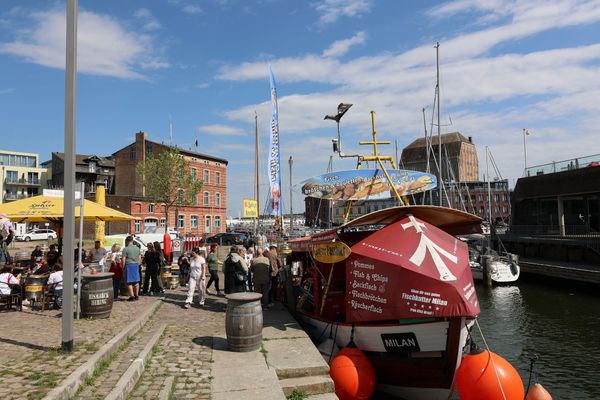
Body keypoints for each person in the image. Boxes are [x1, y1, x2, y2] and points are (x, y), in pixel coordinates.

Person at [122, 236, 141, 301]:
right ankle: (137, 295)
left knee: (129, 282)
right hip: (135, 265)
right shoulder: (137, 248)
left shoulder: (125, 249)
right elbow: (139, 259)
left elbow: (123, 260)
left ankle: (132, 296)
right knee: (136, 281)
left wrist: (123, 268)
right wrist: (137, 265)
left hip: (128, 265)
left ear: (127, 241)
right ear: (132, 241)